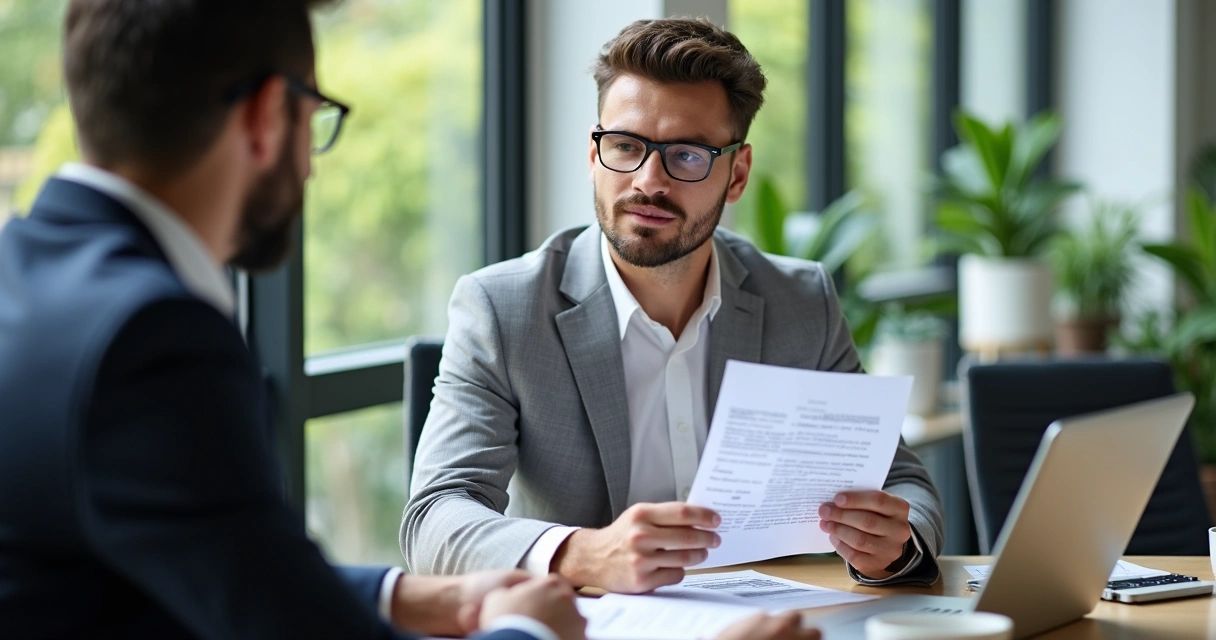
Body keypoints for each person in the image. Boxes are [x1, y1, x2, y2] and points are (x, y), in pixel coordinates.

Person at [0, 1, 585, 638]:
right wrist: (527, 631)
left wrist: (408, 596)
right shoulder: (153, 337)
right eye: (313, 119)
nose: (309, 163)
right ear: (266, 115)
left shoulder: (25, 271)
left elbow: (233, 565)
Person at [403, 18, 945, 595]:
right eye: (625, 147)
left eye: (686, 156)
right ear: (594, 155)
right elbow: (434, 518)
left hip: (770, 621)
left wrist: (892, 544)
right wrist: (583, 553)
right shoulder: (503, 309)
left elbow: (903, 482)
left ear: (736, 175)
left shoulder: (800, 300)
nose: (647, 181)